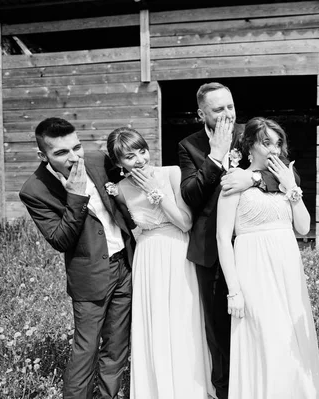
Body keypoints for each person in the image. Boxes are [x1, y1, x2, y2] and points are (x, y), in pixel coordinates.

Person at [178, 82, 296, 399]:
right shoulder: (188, 145)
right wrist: (215, 157)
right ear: (201, 113)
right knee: (220, 329)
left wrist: (254, 177)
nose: (228, 114)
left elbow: (285, 173)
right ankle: (226, 391)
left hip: (255, 246)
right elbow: (190, 196)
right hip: (212, 249)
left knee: (263, 323)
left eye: (230, 106)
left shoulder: (250, 134)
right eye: (219, 109)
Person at [19, 117, 135, 399]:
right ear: (43, 155)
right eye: (61, 152)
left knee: (117, 347)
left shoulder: (96, 159)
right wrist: (75, 196)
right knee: (86, 350)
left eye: (76, 148)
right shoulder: (34, 190)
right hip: (91, 276)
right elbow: (60, 240)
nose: (73, 158)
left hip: (125, 264)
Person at [216, 117, 319, 399]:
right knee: (266, 339)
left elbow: (302, 227)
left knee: (291, 340)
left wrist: (292, 188)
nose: (274, 150)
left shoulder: (287, 179)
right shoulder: (234, 182)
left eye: (278, 143)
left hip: (287, 269)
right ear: (250, 145)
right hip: (254, 271)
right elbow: (223, 239)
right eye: (266, 143)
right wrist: (234, 291)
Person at [106, 127, 212, 398]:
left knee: (183, 317)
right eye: (130, 157)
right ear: (118, 162)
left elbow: (185, 222)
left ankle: (191, 387)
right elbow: (131, 228)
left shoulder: (171, 173)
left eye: (142, 151)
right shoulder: (119, 190)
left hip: (177, 250)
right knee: (154, 322)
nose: (140, 159)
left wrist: (156, 192)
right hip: (148, 256)